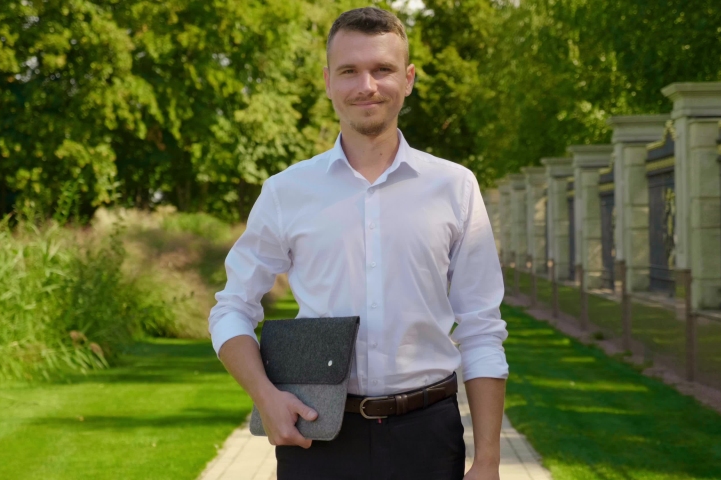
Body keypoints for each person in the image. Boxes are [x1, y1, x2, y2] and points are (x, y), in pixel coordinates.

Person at [209, 7, 508, 480]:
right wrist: (265, 398)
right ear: (328, 81)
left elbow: (481, 327)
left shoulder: (455, 187)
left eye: (382, 69)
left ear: (408, 79)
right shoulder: (287, 192)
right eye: (349, 71)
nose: (366, 85)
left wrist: (488, 458)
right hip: (317, 436)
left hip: (428, 438)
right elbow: (231, 307)